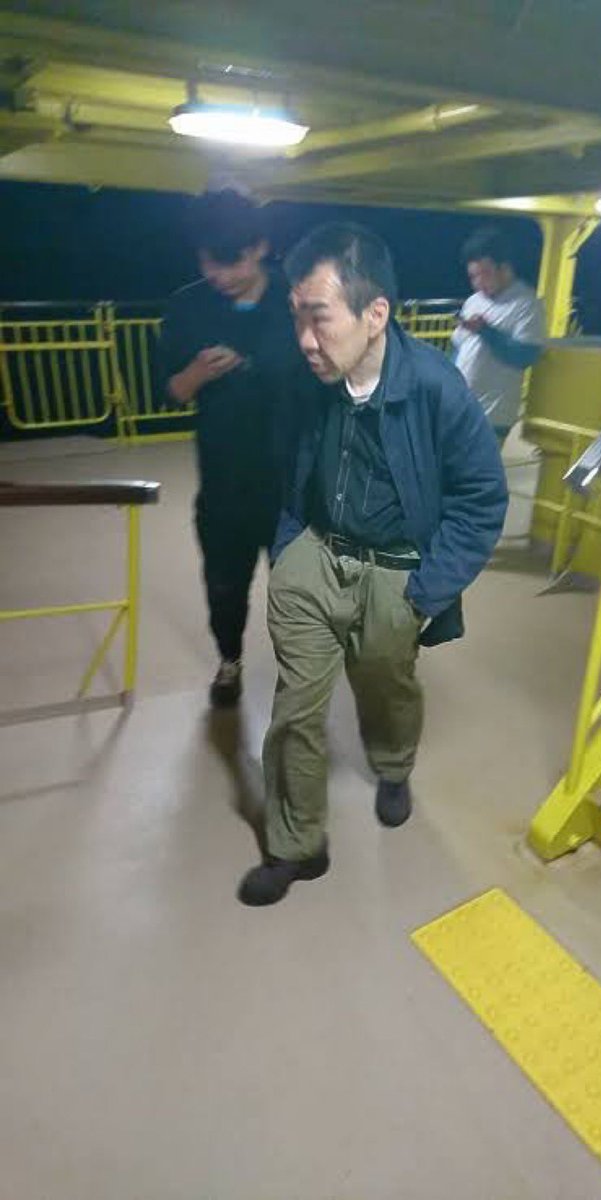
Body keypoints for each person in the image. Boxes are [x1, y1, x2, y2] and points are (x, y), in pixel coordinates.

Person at [238, 222, 509, 906]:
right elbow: (289, 468)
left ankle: (393, 765)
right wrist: (291, 550)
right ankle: (297, 845)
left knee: (387, 685)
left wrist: (424, 592)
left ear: (375, 313)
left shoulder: (437, 390)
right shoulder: (306, 381)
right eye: (296, 318)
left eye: (319, 317)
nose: (305, 339)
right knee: (294, 710)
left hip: (397, 572)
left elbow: (482, 498)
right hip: (316, 557)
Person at [160, 190, 302, 706]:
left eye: (231, 261)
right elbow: (171, 391)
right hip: (224, 483)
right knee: (224, 585)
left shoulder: (298, 298)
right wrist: (198, 372)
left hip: (295, 484)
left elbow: (329, 377)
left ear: (259, 246)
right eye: (207, 262)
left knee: (300, 592)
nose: (218, 275)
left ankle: (302, 673)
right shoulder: (188, 306)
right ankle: (229, 661)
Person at [452, 226, 546, 445]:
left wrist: (485, 331)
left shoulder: (526, 303)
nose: (478, 283)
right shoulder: (473, 301)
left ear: (504, 268)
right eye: (473, 276)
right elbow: (458, 349)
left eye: (484, 274)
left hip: (492, 417)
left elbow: (525, 356)